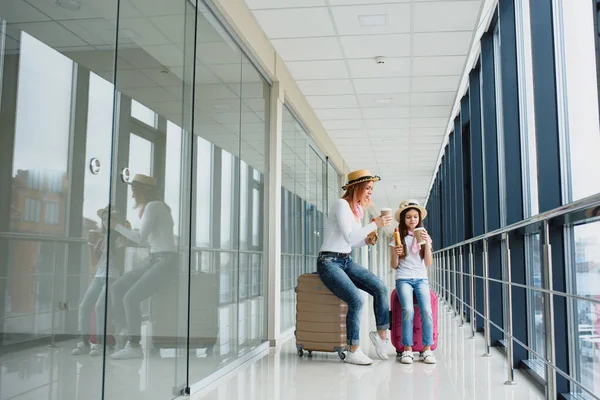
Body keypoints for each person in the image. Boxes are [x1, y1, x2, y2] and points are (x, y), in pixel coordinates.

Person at [317, 169, 392, 365]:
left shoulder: (356, 211)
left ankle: (381, 336)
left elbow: (351, 242)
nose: (370, 192)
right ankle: (353, 349)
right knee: (357, 300)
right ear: (356, 187)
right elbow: (350, 236)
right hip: (329, 262)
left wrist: (367, 240)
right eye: (367, 188)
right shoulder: (341, 204)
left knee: (380, 287)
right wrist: (375, 224)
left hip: (345, 260)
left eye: (371, 189)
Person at [109, 174, 177, 360]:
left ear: (142, 191)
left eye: (133, 191)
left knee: (130, 298)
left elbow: (140, 239)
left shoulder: (153, 206)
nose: (132, 196)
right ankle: (125, 329)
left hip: (165, 262)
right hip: (157, 259)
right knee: (117, 288)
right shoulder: (158, 207)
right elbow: (149, 240)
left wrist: (116, 227)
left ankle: (134, 345)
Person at [72, 206, 129, 357]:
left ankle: (100, 345)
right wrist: (91, 245)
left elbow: (121, 263)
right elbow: (94, 262)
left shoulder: (119, 238)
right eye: (104, 219)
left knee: (100, 307)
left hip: (113, 276)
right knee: (84, 306)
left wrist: (109, 250)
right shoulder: (102, 237)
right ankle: (84, 343)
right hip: (99, 275)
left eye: (109, 219)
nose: (105, 222)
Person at [390, 200, 436, 364]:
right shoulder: (397, 237)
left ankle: (427, 349)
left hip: (421, 278)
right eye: (408, 217)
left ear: (419, 218)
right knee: (408, 310)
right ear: (403, 219)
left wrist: (428, 244)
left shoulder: (424, 236)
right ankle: (407, 349)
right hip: (403, 278)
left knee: (426, 311)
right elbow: (394, 265)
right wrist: (396, 252)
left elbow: (428, 263)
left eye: (415, 216)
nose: (412, 220)